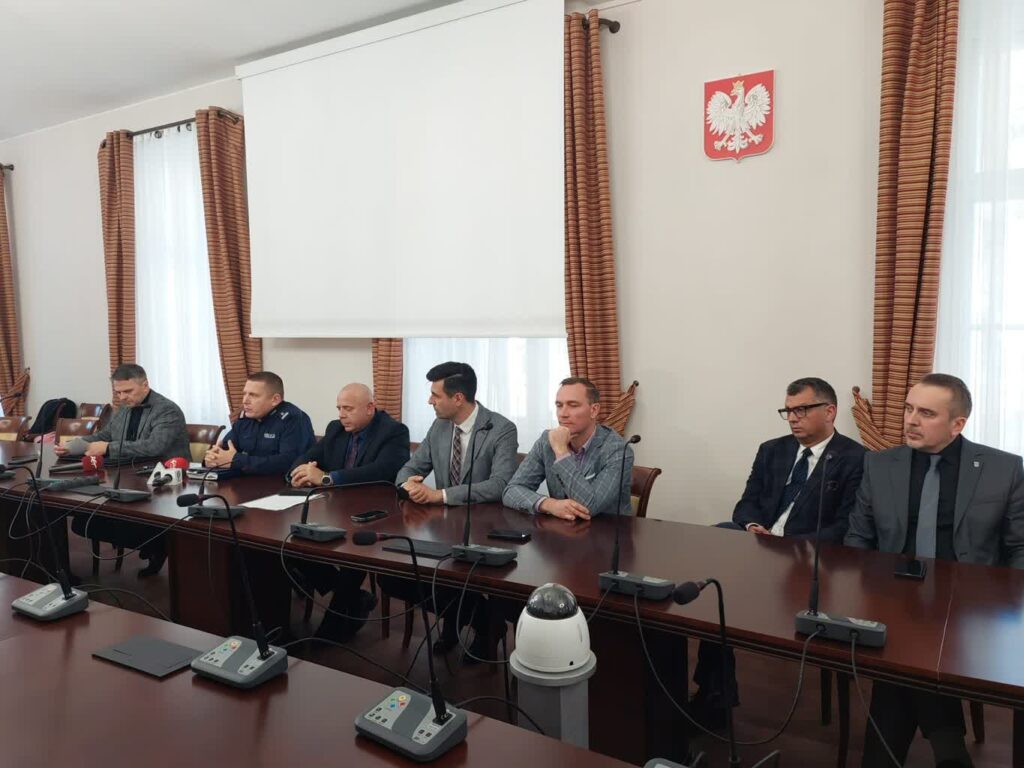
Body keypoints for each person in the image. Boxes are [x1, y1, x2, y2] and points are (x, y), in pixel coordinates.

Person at [846, 373, 1024, 768]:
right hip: (893, 597)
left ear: (957, 424)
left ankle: (887, 758)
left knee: (906, 658)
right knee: (910, 643)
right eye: (909, 408)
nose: (911, 420)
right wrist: (867, 596)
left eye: (926, 413)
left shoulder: (1003, 469)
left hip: (970, 607)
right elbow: (858, 538)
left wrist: (1005, 607)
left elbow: (1019, 548)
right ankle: (949, 748)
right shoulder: (880, 464)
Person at [690, 377, 865, 729]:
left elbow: (846, 527)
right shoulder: (772, 450)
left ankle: (714, 697)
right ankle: (714, 694)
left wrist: (789, 546)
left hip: (810, 562)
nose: (793, 418)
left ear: (830, 411)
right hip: (760, 549)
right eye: (788, 411)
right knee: (715, 583)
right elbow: (746, 504)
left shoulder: (855, 458)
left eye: (802, 410)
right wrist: (753, 525)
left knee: (725, 594)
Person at [390, 362, 518, 658]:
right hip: (442, 527)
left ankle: (463, 626)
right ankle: (483, 622)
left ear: (458, 398)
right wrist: (408, 485)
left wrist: (440, 495)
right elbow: (410, 468)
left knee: (455, 574)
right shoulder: (439, 426)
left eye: (435, 395)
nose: (429, 401)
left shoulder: (500, 429)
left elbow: (500, 484)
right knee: (393, 574)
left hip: (484, 528)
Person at [287, 383, 410, 642]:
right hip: (336, 509)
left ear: (370, 408)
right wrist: (299, 473)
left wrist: (327, 478)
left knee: (354, 558)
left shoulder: (393, 431)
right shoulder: (336, 429)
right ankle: (355, 599)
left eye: (348, 409)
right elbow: (308, 457)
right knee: (292, 544)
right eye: (339, 408)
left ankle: (334, 625)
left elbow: (383, 471)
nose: (341, 415)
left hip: (376, 515)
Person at [61, 363, 191, 577]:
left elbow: (154, 446)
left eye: (128, 391)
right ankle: (155, 545)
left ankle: (160, 544)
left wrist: (107, 448)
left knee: (121, 519)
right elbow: (105, 436)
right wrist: (75, 445)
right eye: (118, 392)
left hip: (163, 481)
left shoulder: (167, 410)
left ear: (145, 385)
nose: (122, 397)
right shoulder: (123, 409)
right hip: (128, 475)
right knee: (84, 521)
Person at [503, 377, 632, 519]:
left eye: (573, 405)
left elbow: (589, 507)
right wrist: (549, 504)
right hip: (562, 528)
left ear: (594, 410)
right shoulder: (547, 440)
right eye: (559, 405)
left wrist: (561, 452)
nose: (563, 414)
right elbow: (511, 490)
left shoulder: (618, 450)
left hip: (605, 530)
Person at [204, 371, 314, 476]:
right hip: (244, 483)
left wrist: (237, 460)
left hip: (280, 485)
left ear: (275, 399)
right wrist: (212, 458)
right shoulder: (245, 419)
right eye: (244, 394)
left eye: (253, 395)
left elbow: (288, 462)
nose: (245, 401)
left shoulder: (293, 419)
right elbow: (224, 452)